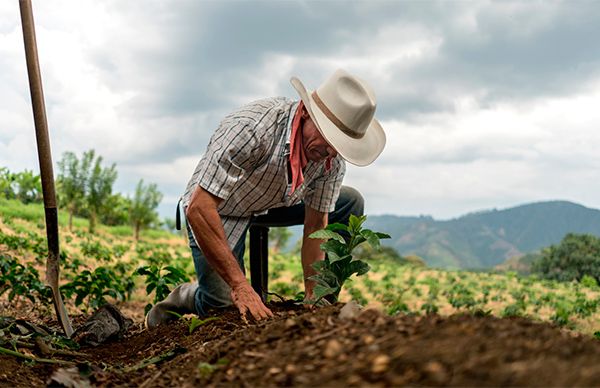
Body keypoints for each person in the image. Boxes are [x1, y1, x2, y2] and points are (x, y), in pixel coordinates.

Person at [145, 69, 386, 327]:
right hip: (220, 207)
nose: (330, 153)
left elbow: (317, 225)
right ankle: (185, 296)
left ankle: (324, 301)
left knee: (350, 201)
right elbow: (199, 208)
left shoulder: (330, 158)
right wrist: (240, 285)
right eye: (328, 139)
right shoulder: (252, 129)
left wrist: (314, 297)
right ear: (305, 113)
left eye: (338, 146)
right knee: (224, 308)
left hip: (273, 201)